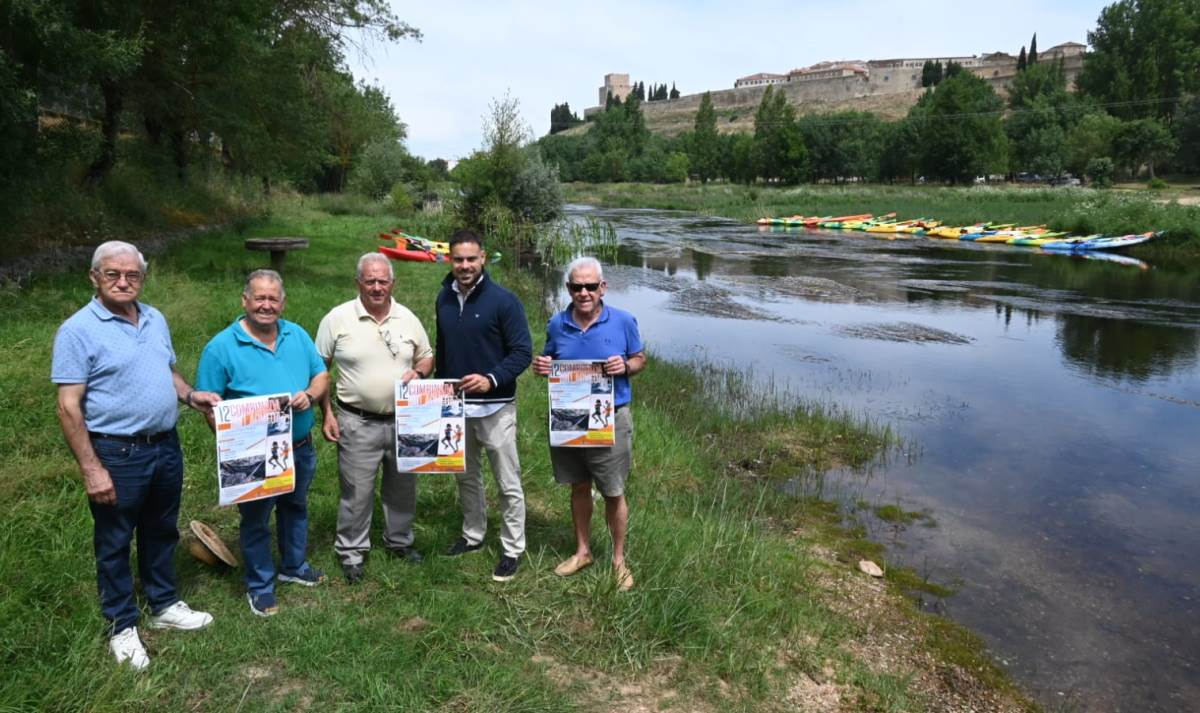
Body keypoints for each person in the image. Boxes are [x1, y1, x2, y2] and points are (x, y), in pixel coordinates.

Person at [52, 240, 218, 670]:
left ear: (143, 278)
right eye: (113, 274)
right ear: (94, 277)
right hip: (116, 452)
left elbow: (165, 370)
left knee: (161, 529)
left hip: (165, 445)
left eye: (132, 275)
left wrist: (190, 395)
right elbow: (68, 405)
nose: (124, 282)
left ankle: (163, 605)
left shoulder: (154, 317)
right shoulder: (77, 330)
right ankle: (121, 625)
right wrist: (92, 468)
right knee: (114, 541)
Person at [196, 269, 329, 616]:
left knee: (295, 507)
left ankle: (294, 566)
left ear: (282, 303)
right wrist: (233, 447)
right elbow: (210, 407)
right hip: (253, 452)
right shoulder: (221, 347)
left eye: (273, 299)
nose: (266, 305)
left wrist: (312, 395)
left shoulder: (297, 335)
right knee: (256, 518)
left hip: (299, 445)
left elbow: (321, 374)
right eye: (259, 298)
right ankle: (260, 585)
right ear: (245, 301)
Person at [317, 253, 433, 584]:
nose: (377, 287)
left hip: (405, 420)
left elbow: (426, 356)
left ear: (392, 283)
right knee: (356, 491)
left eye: (383, 280)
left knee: (403, 487)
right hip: (356, 420)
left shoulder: (408, 318)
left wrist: (420, 370)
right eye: (370, 280)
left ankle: (399, 542)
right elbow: (318, 371)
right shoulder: (337, 319)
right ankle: (351, 553)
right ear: (359, 283)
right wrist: (326, 413)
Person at [532, 257, 645, 591]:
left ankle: (619, 561)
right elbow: (550, 358)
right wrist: (542, 366)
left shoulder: (623, 321)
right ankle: (583, 552)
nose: (584, 292)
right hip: (568, 417)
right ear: (568, 289)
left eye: (590, 286)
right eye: (577, 286)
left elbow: (641, 360)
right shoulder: (556, 324)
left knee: (613, 491)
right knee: (578, 485)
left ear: (602, 288)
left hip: (610, 417)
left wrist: (625, 366)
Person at [435, 228, 532, 582]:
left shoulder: (504, 301)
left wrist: (491, 378)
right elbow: (443, 348)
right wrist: (437, 393)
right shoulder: (444, 298)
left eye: (471, 259)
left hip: (496, 407)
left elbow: (522, 352)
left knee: (508, 481)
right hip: (457, 408)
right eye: (458, 259)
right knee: (466, 477)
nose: (464, 266)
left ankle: (512, 548)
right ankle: (473, 535)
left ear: (483, 259)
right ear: (450, 259)